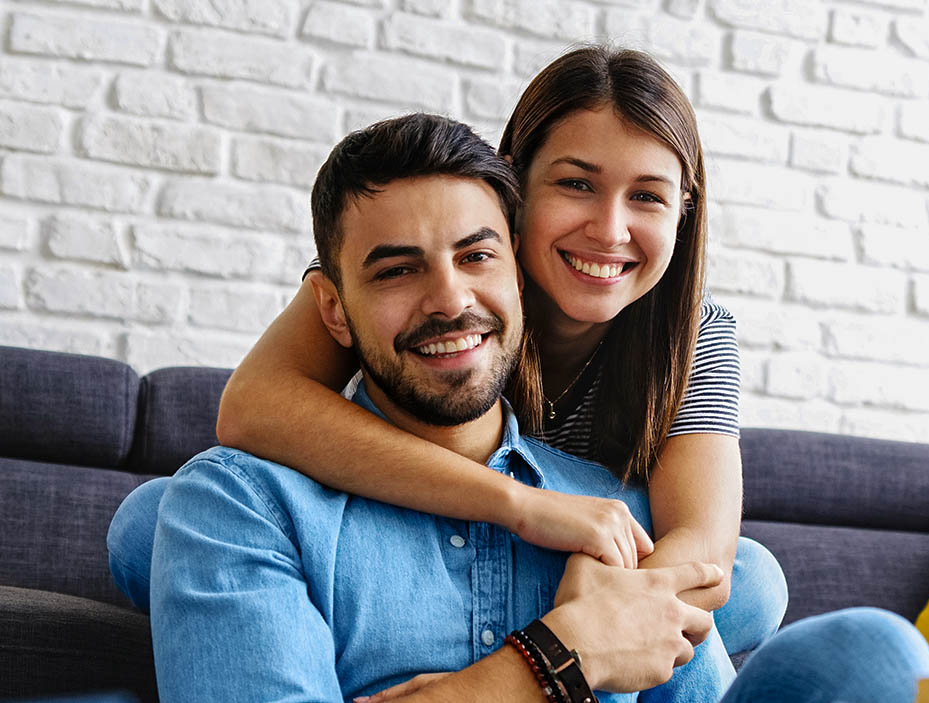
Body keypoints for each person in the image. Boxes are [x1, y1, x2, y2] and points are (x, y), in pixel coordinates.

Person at [143, 114, 929, 703]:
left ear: (518, 270)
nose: (451, 298)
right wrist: (563, 657)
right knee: (164, 513)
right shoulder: (246, 503)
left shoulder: (614, 510)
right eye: (397, 270)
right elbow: (249, 411)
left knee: (859, 640)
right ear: (333, 309)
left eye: (477, 256)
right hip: (267, 517)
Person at [111, 44, 786, 657]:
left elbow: (702, 544)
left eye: (647, 197)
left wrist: (594, 579)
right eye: (576, 184)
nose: (610, 230)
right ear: (517, 185)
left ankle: (473, 664)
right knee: (153, 522)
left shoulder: (692, 333)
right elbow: (252, 411)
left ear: (684, 212)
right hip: (398, 540)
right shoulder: (415, 277)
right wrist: (523, 505)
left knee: (753, 580)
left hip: (560, 566)